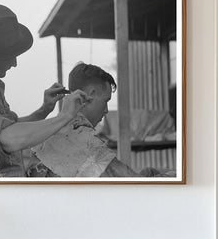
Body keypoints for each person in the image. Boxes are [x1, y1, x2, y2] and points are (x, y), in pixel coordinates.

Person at [0, 4, 90, 177]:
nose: (14, 63)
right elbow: (9, 139)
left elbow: (12, 128)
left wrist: (43, 110)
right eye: (10, 55)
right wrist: (65, 116)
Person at [29, 62, 166, 177]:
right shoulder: (81, 137)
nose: (106, 110)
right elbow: (133, 184)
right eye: (106, 101)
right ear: (91, 94)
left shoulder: (51, 130)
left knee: (149, 172)